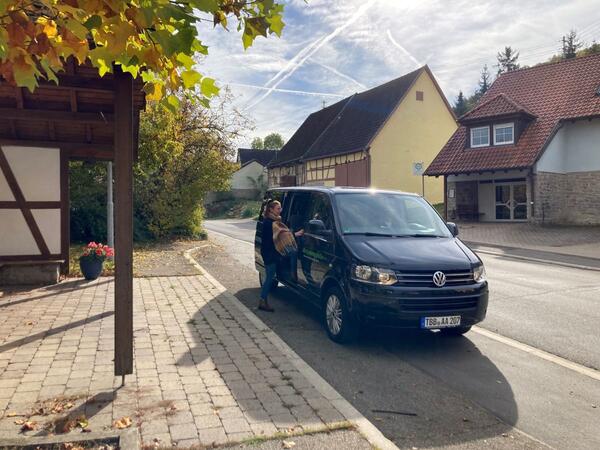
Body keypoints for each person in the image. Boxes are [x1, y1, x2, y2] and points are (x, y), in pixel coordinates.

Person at [260, 199, 303, 312]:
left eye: (281, 208)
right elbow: (282, 235)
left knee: (291, 254)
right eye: (278, 208)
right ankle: (263, 301)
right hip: (270, 254)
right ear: (271, 209)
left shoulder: (273, 221)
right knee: (269, 278)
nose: (281, 210)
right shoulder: (271, 223)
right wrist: (295, 234)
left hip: (271, 252)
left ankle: (291, 275)